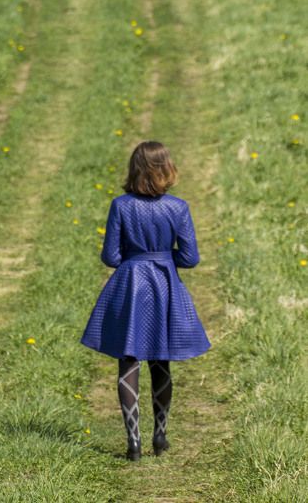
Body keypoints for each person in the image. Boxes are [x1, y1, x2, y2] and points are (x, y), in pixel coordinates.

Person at [80, 140, 211, 461]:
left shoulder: (121, 206)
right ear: (167, 169)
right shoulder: (178, 208)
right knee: (160, 359)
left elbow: (111, 256)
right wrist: (164, 258)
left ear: (134, 169)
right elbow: (191, 258)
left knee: (129, 358)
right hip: (165, 283)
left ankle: (133, 441)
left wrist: (137, 258)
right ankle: (160, 435)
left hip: (131, 283)